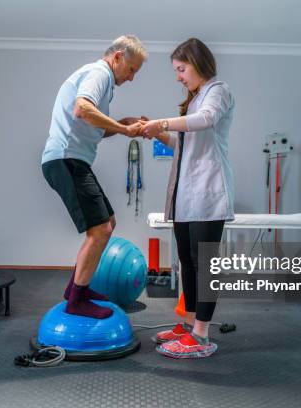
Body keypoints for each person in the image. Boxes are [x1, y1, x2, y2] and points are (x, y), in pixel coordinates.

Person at [41, 35, 147, 319]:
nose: (132, 77)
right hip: (66, 160)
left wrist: (121, 124)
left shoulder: (104, 82)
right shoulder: (99, 72)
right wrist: (125, 131)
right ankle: (77, 300)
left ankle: (78, 290)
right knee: (100, 230)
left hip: (74, 161)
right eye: (132, 69)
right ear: (117, 58)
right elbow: (82, 109)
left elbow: (93, 126)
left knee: (108, 223)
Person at [141, 38, 235, 358]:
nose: (179, 76)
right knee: (187, 263)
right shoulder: (193, 101)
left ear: (198, 63)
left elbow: (207, 120)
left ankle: (202, 335)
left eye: (181, 69)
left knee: (204, 264)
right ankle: (191, 323)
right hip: (186, 196)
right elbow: (185, 146)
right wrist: (158, 133)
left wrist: (163, 121)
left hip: (208, 194)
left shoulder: (217, 91)